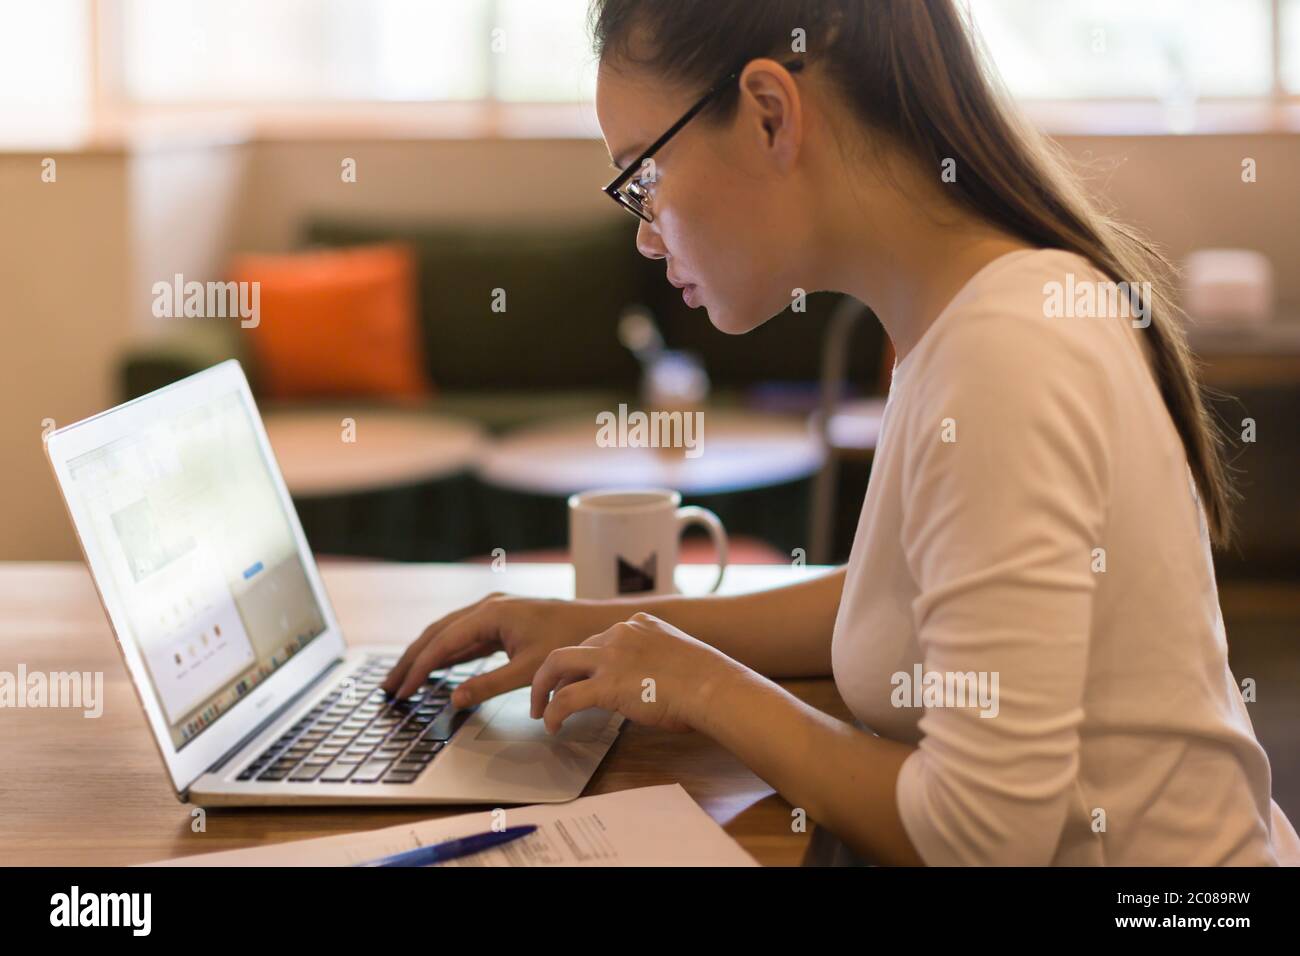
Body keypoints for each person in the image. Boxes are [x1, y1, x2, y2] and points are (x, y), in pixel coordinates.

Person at [384, 0, 1299, 866]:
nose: (645, 236)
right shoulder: (959, 315)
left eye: (644, 176)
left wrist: (699, 685)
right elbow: (887, 604)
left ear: (770, 114)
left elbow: (979, 836)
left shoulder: (1006, 352)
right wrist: (613, 630)